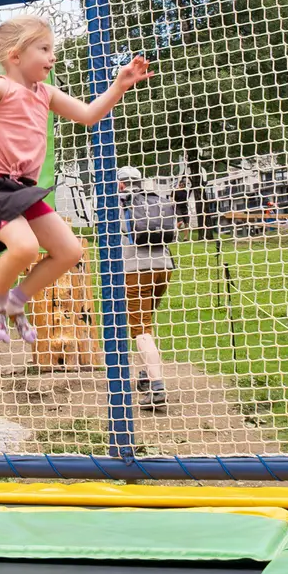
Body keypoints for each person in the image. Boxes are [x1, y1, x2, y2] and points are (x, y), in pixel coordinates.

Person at [0, 16, 152, 341]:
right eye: (44, 49)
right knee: (26, 248)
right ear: (16, 56)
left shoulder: (46, 93)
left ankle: (18, 299)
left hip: (23, 191)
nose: (53, 56)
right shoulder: (1, 87)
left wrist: (119, 85)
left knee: (70, 251)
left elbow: (89, 116)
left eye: (53, 49)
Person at [117, 166, 174, 410]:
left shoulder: (115, 204)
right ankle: (146, 374)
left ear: (120, 184)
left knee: (141, 329)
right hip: (164, 268)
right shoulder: (155, 200)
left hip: (135, 270)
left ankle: (157, 386)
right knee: (146, 323)